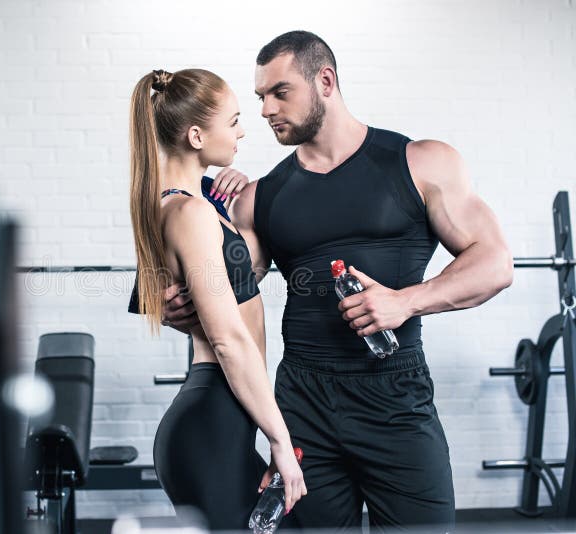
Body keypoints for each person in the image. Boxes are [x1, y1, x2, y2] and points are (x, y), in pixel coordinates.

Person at [160, 31, 514, 532]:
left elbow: (495, 263)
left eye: (280, 92)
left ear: (324, 81)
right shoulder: (261, 197)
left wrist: (406, 303)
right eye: (260, 97)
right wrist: (184, 310)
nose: (265, 110)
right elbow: (233, 297)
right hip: (304, 406)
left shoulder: (420, 163)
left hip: (395, 402)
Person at [127, 67, 306, 530]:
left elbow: (174, 293)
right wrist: (281, 444)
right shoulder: (188, 212)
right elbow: (228, 339)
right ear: (195, 134)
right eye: (233, 121)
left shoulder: (188, 203)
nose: (243, 130)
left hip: (222, 420)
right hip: (212, 420)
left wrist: (224, 197)